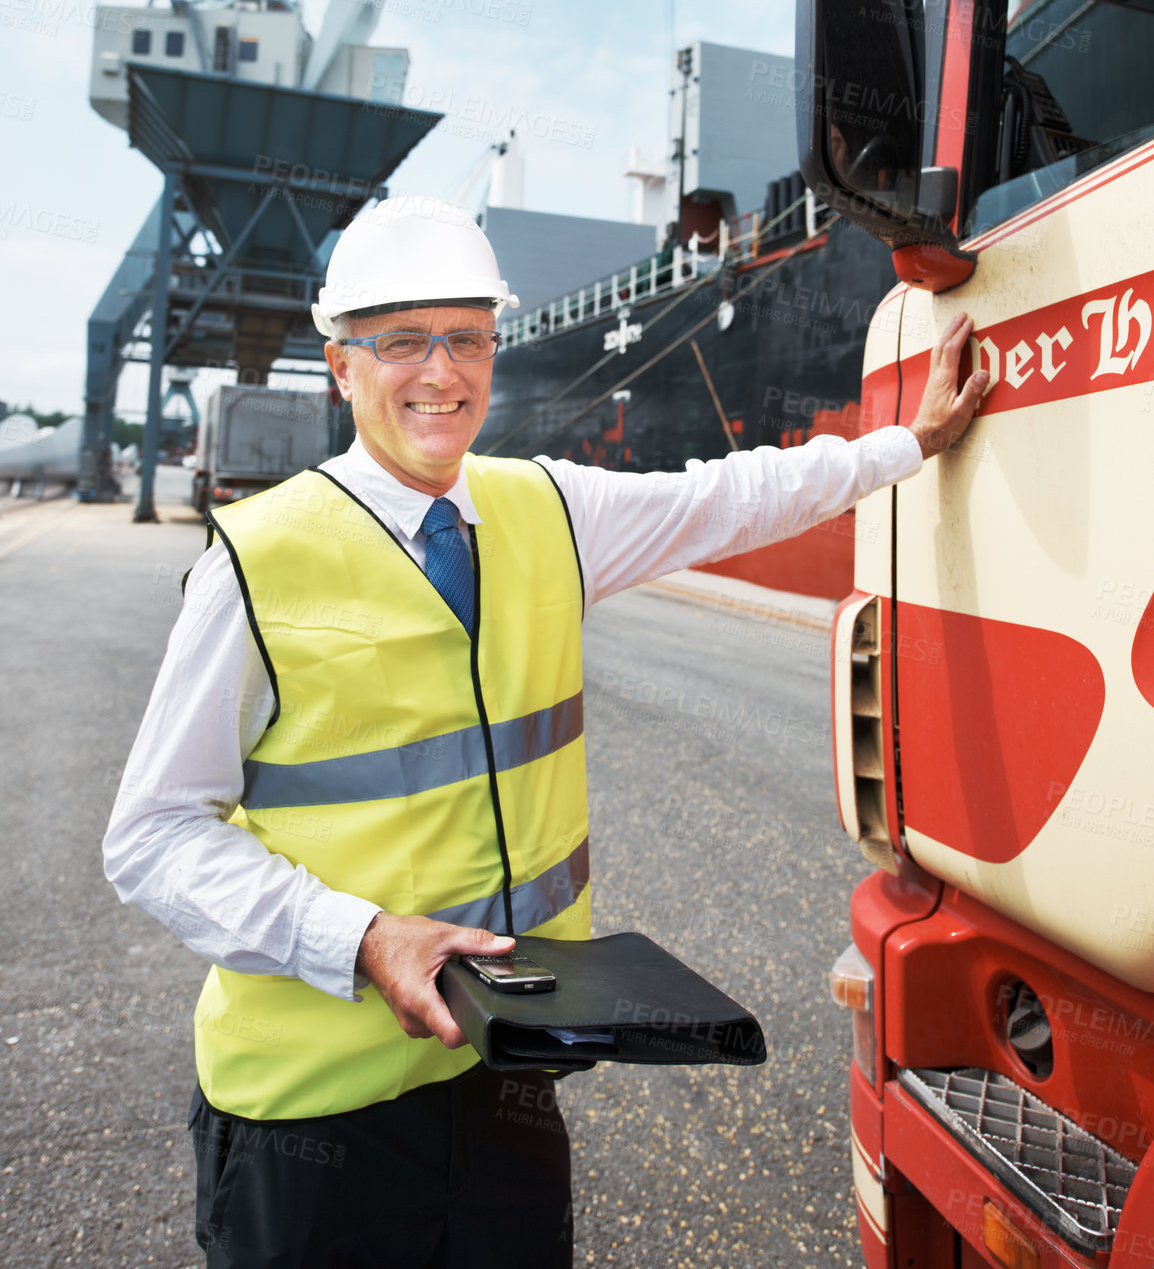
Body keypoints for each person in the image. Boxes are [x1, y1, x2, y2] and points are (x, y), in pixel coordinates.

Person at [103, 195, 988, 1269]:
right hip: (308, 1119)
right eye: (402, 342)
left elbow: (728, 496)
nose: (442, 371)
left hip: (504, 1088)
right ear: (342, 367)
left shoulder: (547, 511)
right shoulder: (257, 563)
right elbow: (152, 835)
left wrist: (909, 440)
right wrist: (363, 939)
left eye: (467, 336)